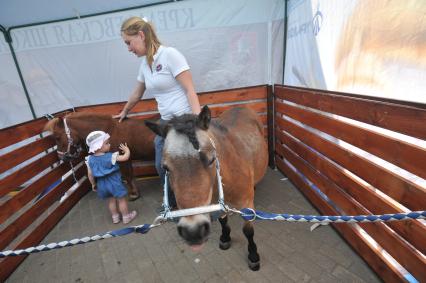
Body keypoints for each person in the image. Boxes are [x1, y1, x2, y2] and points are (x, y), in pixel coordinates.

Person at [113, 16, 201, 208]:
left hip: (185, 121)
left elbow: (190, 90)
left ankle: (201, 203)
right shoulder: (145, 65)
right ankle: (171, 200)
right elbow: (138, 92)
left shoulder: (170, 55)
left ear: (141, 35)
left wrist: (197, 123)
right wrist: (124, 111)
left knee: (192, 165)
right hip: (165, 123)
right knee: (162, 166)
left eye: (129, 42)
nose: (128, 48)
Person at [85, 130, 137, 224]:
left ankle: (115, 217)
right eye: (106, 143)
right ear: (98, 146)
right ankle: (126, 217)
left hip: (101, 184)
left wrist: (93, 184)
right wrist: (127, 150)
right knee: (121, 200)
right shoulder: (110, 156)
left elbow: (90, 174)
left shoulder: (89, 160)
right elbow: (125, 158)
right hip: (114, 182)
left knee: (111, 201)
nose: (109, 145)